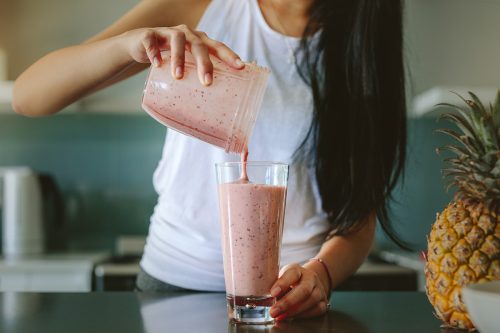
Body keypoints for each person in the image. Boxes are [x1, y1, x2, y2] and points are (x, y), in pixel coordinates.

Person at [12, 0, 407, 320]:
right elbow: (30, 96)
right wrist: (130, 45)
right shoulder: (203, 8)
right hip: (171, 289)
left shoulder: (362, 46)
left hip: (285, 303)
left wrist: (321, 274)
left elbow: (359, 220)